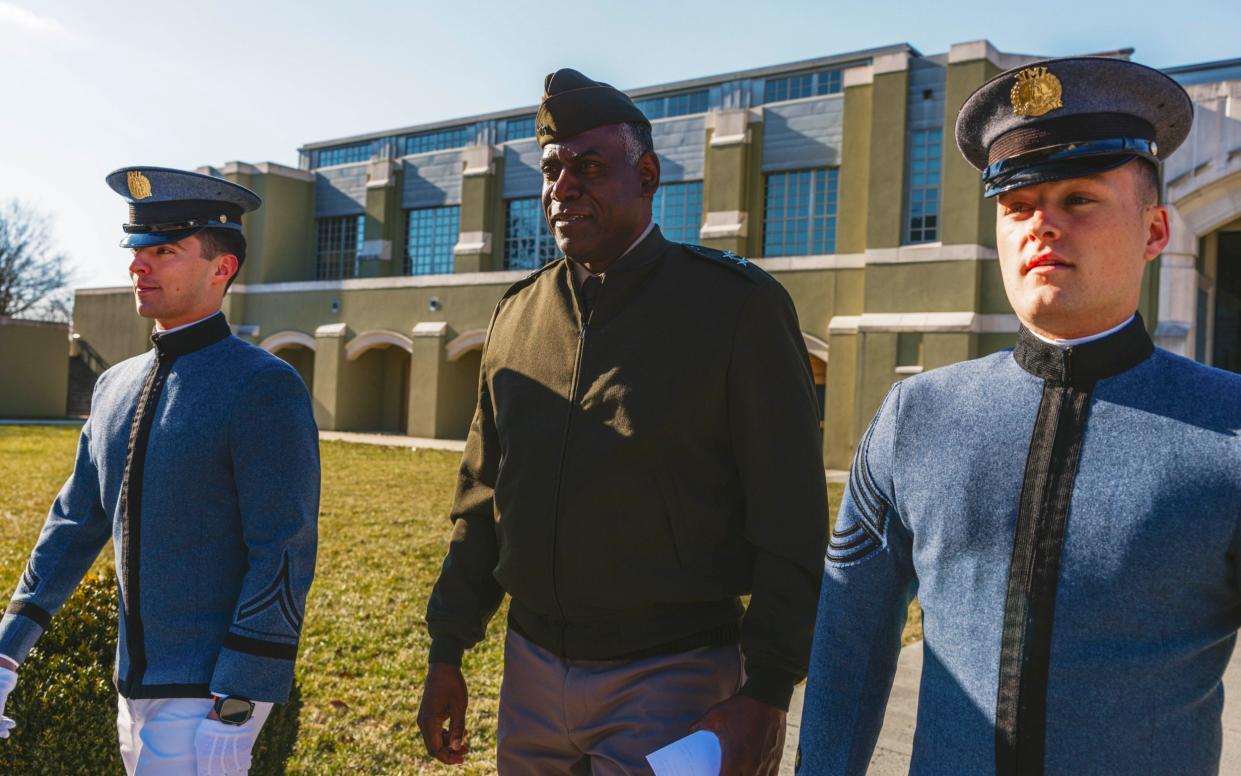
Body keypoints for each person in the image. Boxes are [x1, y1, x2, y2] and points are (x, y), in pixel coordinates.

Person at [796, 56, 1241, 774]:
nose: (1041, 225)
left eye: (1078, 199)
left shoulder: (1228, 430)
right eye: (1016, 205)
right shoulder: (917, 416)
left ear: (1154, 230)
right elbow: (848, 645)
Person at [417, 69, 828, 775]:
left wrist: (765, 689)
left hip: (672, 675)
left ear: (645, 175)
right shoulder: (516, 315)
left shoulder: (733, 308)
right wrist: (446, 649)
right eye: (551, 170)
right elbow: (481, 498)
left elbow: (791, 517)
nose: (563, 187)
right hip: (531, 674)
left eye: (588, 167)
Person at [0, 167, 319, 776]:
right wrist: (6, 650)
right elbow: (73, 524)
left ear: (221, 267)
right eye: (138, 250)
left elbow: (283, 546)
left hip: (207, 698)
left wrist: (240, 704)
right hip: (131, 688)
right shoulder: (114, 385)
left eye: (165, 250)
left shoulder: (263, 386)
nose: (138, 265)